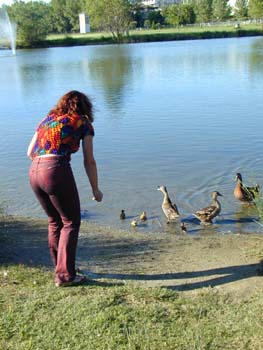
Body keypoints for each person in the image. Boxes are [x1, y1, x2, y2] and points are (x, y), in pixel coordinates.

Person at [27, 90, 103, 287]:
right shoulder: (83, 123)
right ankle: (65, 276)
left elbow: (29, 152)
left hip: (34, 171)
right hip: (55, 170)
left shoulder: (48, 119)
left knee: (55, 221)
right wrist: (95, 189)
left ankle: (61, 269)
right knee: (71, 222)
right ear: (85, 107)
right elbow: (89, 161)